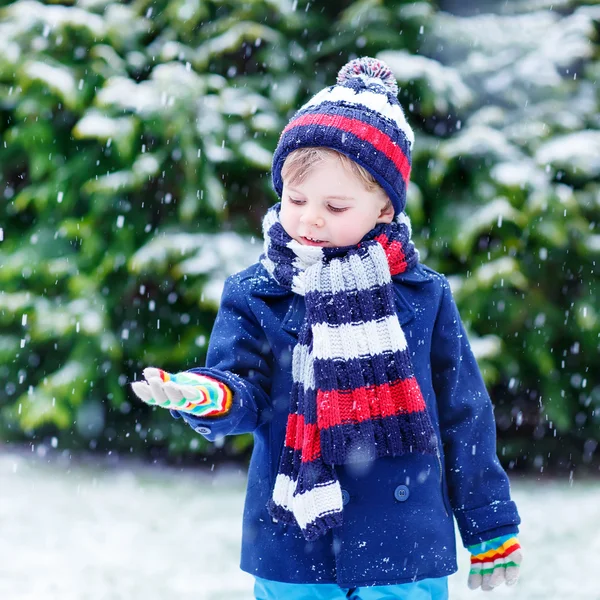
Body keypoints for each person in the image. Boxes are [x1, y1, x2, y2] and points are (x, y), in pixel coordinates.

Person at [131, 57, 522, 600]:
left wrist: (489, 522)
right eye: (296, 199)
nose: (310, 218)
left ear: (384, 207)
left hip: (403, 548)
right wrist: (205, 394)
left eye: (335, 205)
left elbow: (463, 415)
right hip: (293, 543)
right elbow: (242, 389)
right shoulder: (256, 293)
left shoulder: (424, 297)